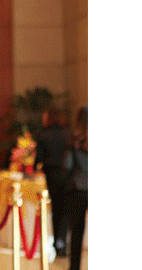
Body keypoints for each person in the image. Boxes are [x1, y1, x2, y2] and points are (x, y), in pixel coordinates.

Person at [35, 105, 70, 257]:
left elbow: (39, 158)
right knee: (65, 210)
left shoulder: (43, 135)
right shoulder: (67, 134)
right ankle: (62, 242)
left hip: (52, 175)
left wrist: (36, 166)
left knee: (56, 209)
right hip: (67, 175)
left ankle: (57, 242)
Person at [64, 107, 88, 270]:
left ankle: (74, 267)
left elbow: (67, 165)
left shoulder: (74, 139)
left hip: (78, 188)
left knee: (76, 232)